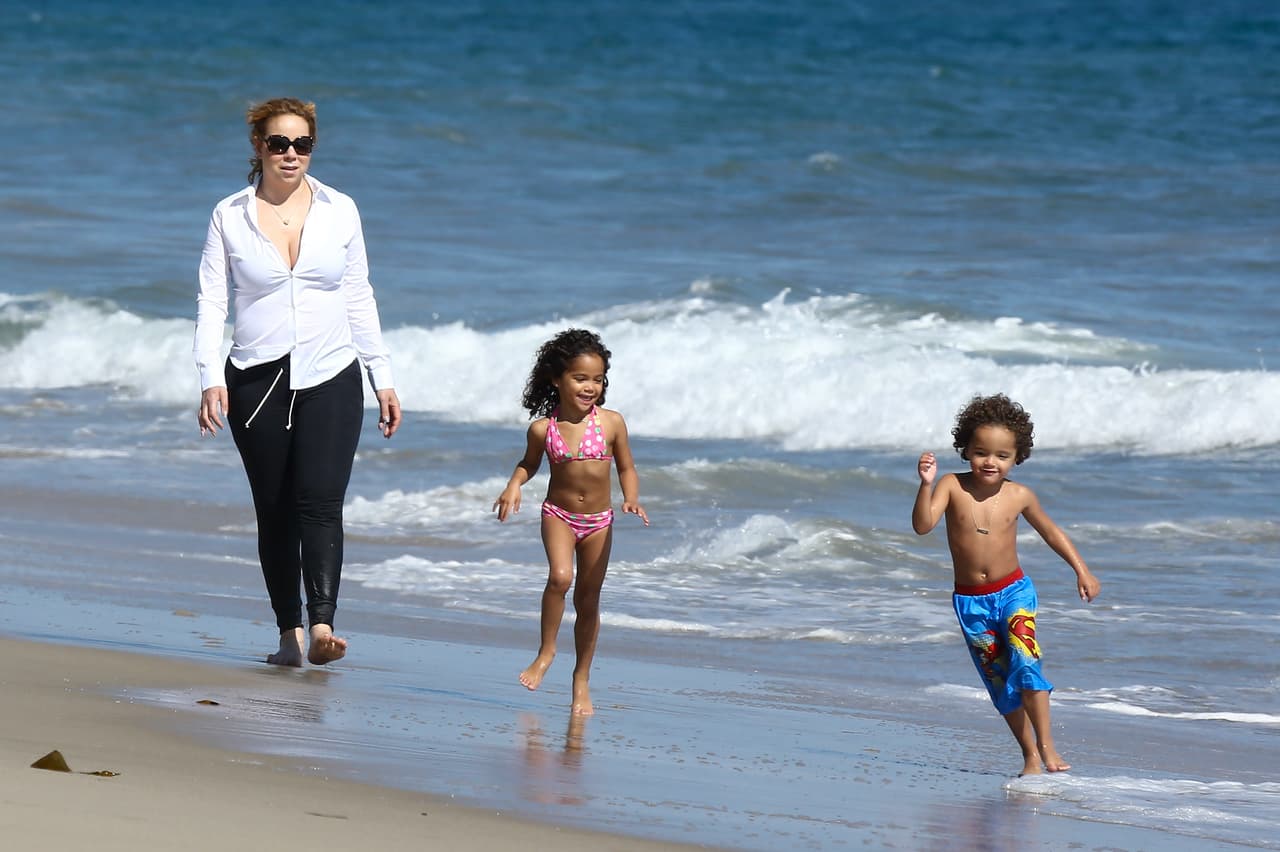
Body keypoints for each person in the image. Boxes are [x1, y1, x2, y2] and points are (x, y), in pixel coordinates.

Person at [194, 97, 402, 667]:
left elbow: (359, 294)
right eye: (279, 143)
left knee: (321, 501)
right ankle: (287, 632)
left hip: (331, 372)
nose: (291, 154)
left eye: (302, 144)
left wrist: (380, 375)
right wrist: (211, 376)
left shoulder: (341, 209)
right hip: (255, 379)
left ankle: (322, 626)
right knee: (276, 507)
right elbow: (213, 301)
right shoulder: (229, 214)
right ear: (257, 147)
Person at [912, 393, 1100, 776]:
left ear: (1017, 458)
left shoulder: (1019, 495)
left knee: (1027, 663)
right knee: (1001, 683)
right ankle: (1029, 755)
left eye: (1002, 456)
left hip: (1014, 592)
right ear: (965, 450)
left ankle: (1048, 750)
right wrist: (925, 485)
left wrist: (1082, 570)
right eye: (981, 452)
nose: (990, 462)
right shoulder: (951, 485)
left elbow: (1051, 532)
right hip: (971, 603)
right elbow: (922, 525)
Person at [493, 329, 648, 716]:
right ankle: (546, 652)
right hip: (558, 515)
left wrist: (631, 498)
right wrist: (514, 484)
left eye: (597, 379)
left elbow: (627, 467)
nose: (590, 386)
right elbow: (529, 464)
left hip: (599, 521)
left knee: (588, 599)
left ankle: (581, 679)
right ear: (557, 379)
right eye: (581, 378)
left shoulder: (611, 423)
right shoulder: (543, 429)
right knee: (560, 578)